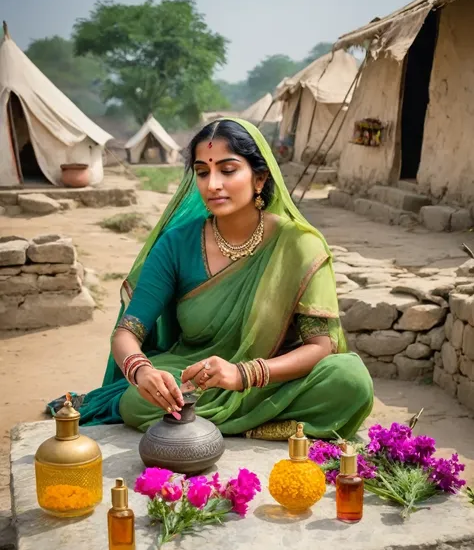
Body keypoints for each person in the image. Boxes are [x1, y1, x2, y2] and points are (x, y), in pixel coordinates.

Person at [73, 118, 373, 440]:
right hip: (197, 380)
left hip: (271, 381)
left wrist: (243, 374)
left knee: (351, 379)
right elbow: (126, 332)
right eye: (202, 172)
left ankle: (202, 427)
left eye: (227, 170)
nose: (212, 184)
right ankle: (261, 427)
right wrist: (142, 371)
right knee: (136, 401)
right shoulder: (176, 244)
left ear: (259, 179)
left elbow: (322, 346)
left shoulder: (299, 245)